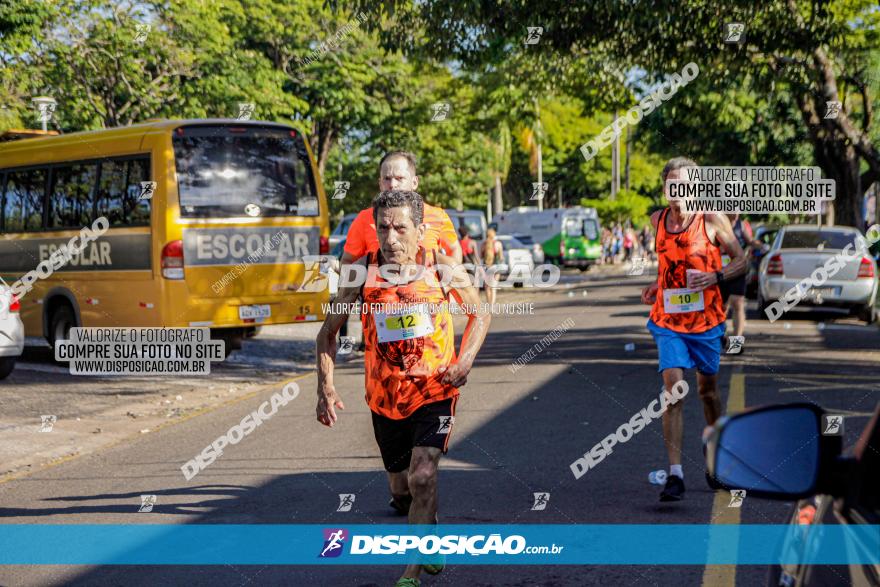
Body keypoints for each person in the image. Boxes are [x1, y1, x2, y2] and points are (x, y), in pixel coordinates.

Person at [316, 190, 491, 587]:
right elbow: (327, 335)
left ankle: (410, 572)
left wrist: (463, 362)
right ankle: (428, 536)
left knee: (423, 475)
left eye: (400, 228)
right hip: (384, 398)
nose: (391, 238)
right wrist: (324, 386)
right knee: (401, 488)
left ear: (420, 230)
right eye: (383, 228)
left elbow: (479, 313)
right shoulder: (361, 273)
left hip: (434, 389)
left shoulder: (442, 268)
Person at [640, 157, 747, 501]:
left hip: (707, 322)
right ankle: (675, 475)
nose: (677, 192)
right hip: (668, 320)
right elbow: (666, 266)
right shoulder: (657, 220)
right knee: (675, 389)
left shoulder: (711, 220)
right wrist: (658, 287)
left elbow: (742, 260)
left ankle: (716, 459)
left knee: (707, 393)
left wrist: (714, 277)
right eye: (671, 185)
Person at [340, 151, 462, 265]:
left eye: (399, 178)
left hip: (426, 287)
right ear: (380, 183)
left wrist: (450, 280)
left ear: (414, 182)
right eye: (387, 179)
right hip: (378, 287)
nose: (392, 185)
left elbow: (454, 250)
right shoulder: (364, 218)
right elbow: (347, 261)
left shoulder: (437, 216)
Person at [720, 213, 766, 348]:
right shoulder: (718, 221)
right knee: (721, 306)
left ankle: (736, 344)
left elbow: (750, 240)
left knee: (738, 303)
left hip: (738, 270)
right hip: (719, 271)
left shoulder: (742, 225)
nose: (736, 212)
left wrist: (759, 245)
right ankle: (720, 336)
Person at [481, 227, 503, 306]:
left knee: (487, 288)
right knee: (493, 287)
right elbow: (501, 258)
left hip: (487, 267)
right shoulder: (498, 244)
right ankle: (492, 305)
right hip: (496, 267)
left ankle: (488, 303)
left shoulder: (484, 244)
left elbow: (481, 256)